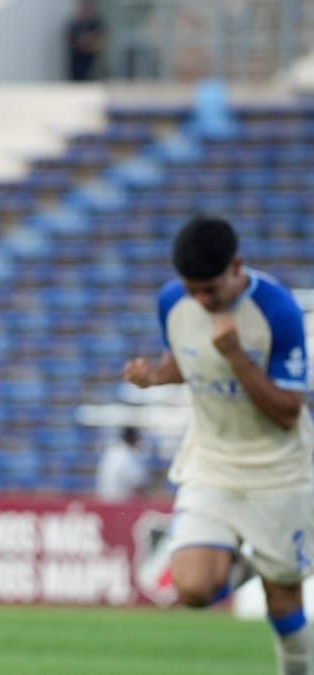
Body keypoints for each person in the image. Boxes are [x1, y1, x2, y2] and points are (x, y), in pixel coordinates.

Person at [123, 215, 314, 675]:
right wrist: (154, 375)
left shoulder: (277, 310)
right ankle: (250, 558)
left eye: (210, 290)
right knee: (191, 588)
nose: (201, 301)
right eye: (192, 290)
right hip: (212, 463)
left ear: (237, 267)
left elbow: (288, 410)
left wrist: (236, 356)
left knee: (282, 600)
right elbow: (187, 361)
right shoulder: (173, 302)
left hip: (279, 472)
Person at [94, 426, 151, 502]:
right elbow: (138, 485)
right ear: (133, 439)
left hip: (103, 500)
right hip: (119, 503)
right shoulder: (127, 456)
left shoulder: (111, 451)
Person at [66, 0, 105, 81]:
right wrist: (88, 40)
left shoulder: (96, 24)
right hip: (76, 67)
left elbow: (99, 43)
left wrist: (85, 41)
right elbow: (73, 42)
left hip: (92, 67)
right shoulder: (74, 25)